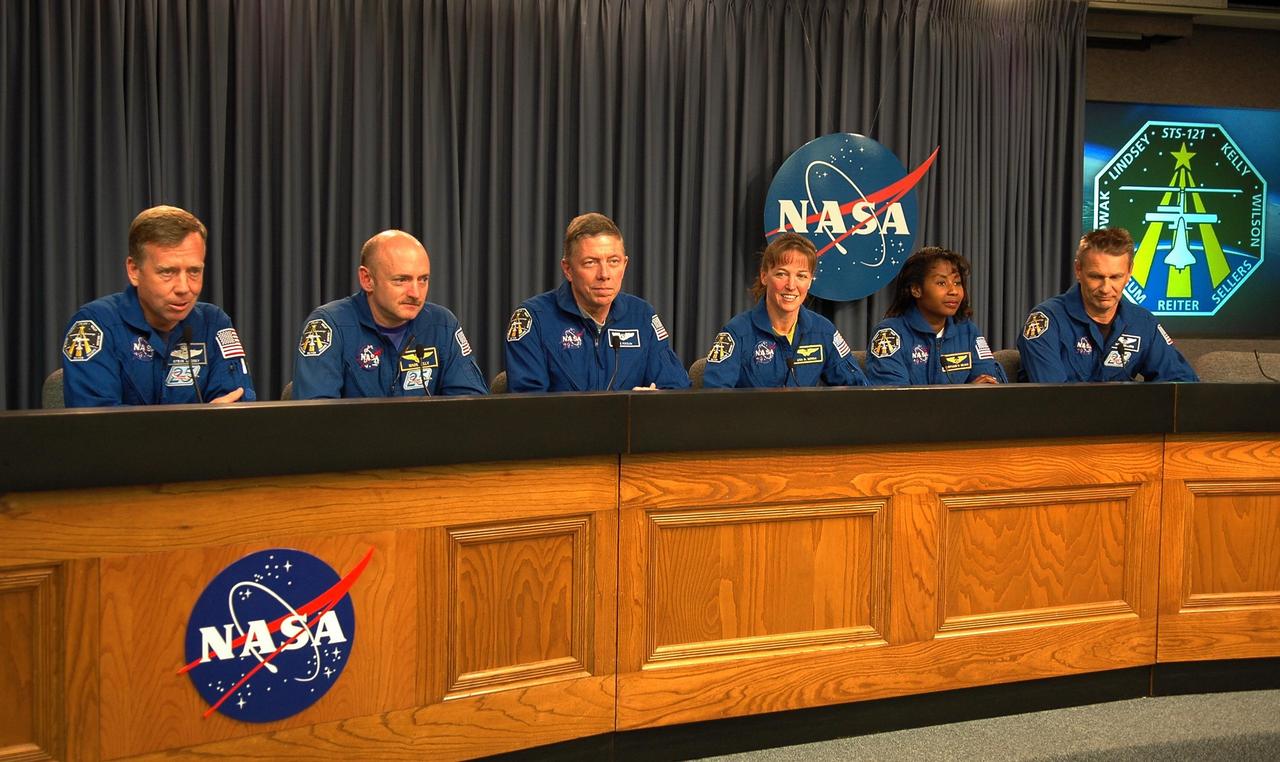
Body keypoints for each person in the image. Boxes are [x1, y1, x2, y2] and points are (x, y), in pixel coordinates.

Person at [60, 205, 256, 406]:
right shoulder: (93, 325)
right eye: (167, 272)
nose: (183, 287)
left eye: (194, 271)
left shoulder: (214, 322)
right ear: (134, 270)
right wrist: (198, 424)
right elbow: (96, 425)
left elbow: (236, 413)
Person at [504, 212, 691, 392]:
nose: (604, 274)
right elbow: (528, 407)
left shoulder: (642, 316)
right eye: (590, 262)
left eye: (613, 261)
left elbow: (676, 390)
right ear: (568, 269)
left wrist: (652, 403)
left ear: (624, 265)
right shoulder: (534, 318)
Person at [292, 230, 487, 398]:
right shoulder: (329, 326)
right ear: (367, 279)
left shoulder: (442, 324)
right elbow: (316, 419)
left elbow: (470, 408)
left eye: (423, 279)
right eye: (401, 280)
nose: (415, 293)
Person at [1018, 228, 1198, 382]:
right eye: (1096, 277)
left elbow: (1181, 383)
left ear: (1129, 273)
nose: (1106, 288)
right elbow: (1051, 399)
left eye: (1115, 277)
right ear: (1078, 270)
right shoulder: (1045, 321)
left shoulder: (1142, 322)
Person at [702, 233, 866, 388]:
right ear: (764, 276)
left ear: (809, 282)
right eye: (782, 274)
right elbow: (714, 398)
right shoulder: (737, 333)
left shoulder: (823, 331)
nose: (791, 285)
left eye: (801, 276)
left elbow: (859, 391)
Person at [864, 247, 1006, 385]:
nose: (954, 291)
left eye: (957, 283)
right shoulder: (888, 335)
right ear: (916, 290)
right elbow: (895, 400)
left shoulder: (967, 331)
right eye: (941, 283)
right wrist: (964, 396)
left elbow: (990, 384)